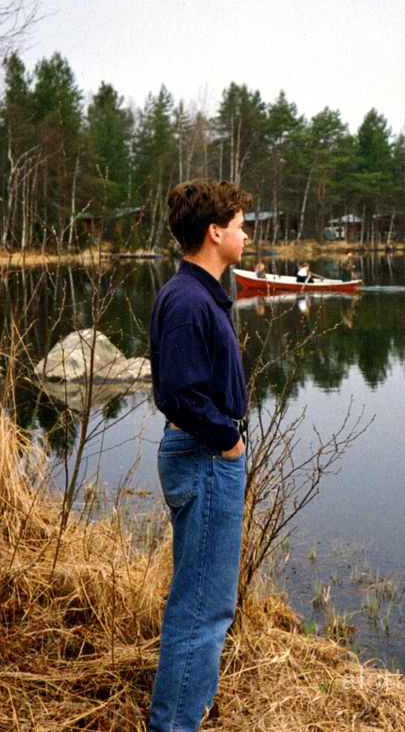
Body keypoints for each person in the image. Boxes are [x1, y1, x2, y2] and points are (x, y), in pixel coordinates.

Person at [147, 179, 252, 732]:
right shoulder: (189, 301)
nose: (245, 234)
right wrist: (229, 440)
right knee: (202, 610)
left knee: (206, 605)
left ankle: (185, 718)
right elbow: (179, 394)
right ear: (215, 233)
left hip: (206, 455)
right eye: (238, 225)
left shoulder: (197, 294)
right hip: (207, 456)